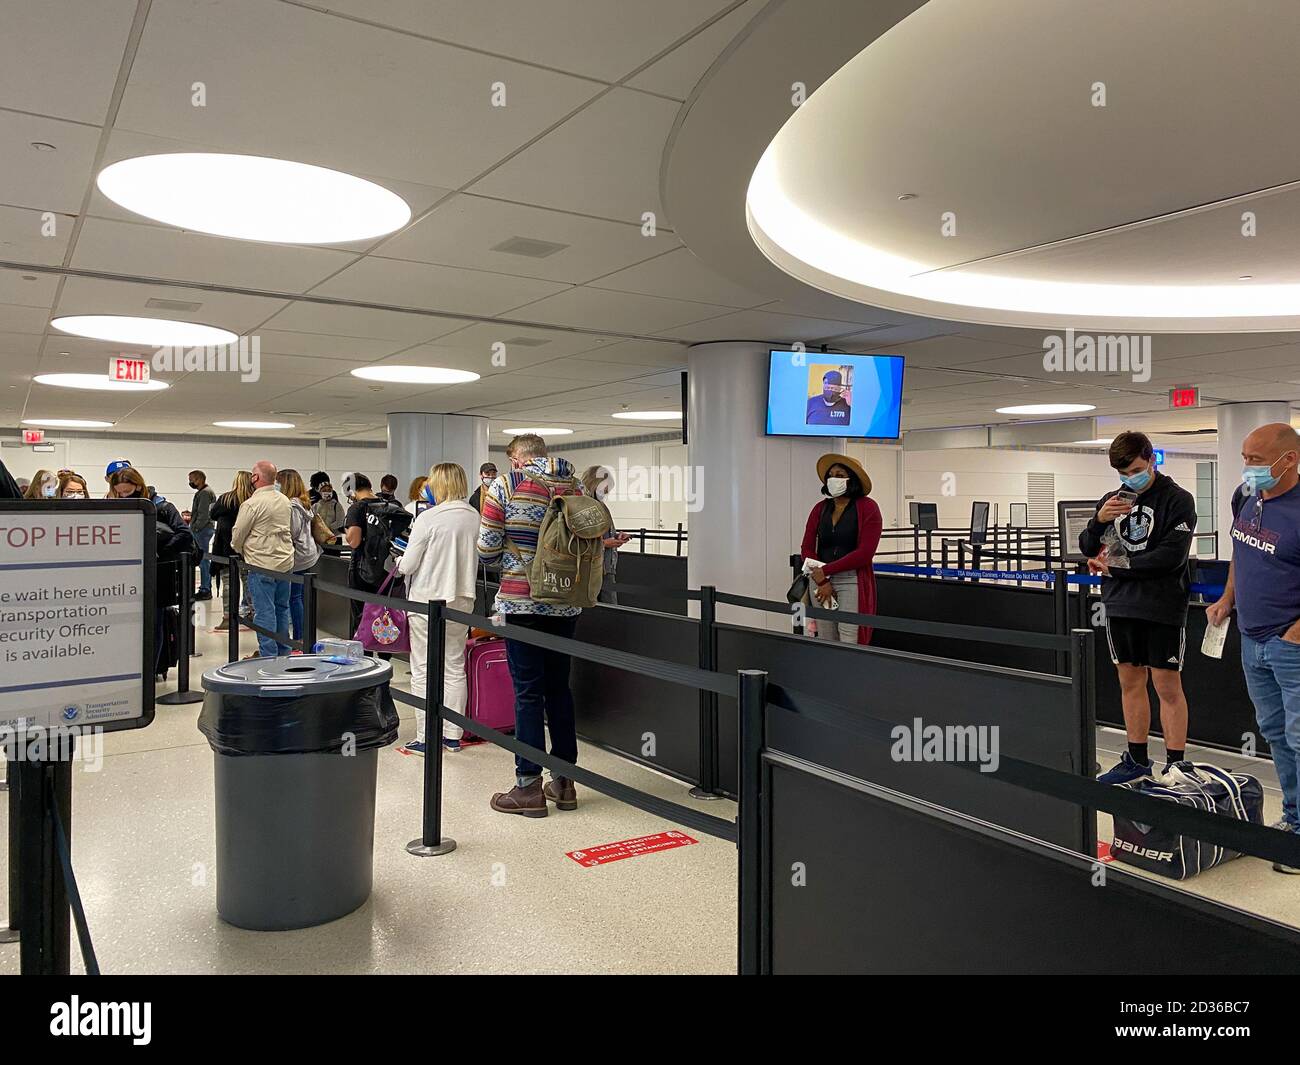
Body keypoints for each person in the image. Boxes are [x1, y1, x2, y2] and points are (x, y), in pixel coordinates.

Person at [1207, 422, 1300, 872]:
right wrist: (1229, 597)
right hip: (1251, 638)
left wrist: (1296, 630)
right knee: (1277, 735)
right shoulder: (1245, 499)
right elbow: (1240, 554)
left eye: (1256, 460)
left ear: (1289, 461)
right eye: (1245, 457)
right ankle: (1295, 820)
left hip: (1291, 644)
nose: (1247, 467)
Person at [479, 433, 587, 818]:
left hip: (522, 602)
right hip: (567, 603)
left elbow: (487, 549)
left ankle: (528, 787)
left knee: (527, 693)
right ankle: (564, 782)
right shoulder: (577, 485)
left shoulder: (506, 485)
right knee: (559, 689)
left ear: (516, 457)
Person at [1080, 431, 1197, 785]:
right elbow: (1087, 546)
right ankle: (1137, 758)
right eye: (1122, 472)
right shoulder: (1113, 499)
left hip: (1161, 606)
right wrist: (1100, 519)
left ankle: (1176, 763)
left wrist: (1116, 568)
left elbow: (1170, 557)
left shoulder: (1178, 499)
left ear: (1151, 460)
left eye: (1134, 469)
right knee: (1129, 681)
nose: (1129, 478)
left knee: (1166, 684)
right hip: (1120, 604)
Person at [397, 463, 480, 755]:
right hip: (462, 600)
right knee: (454, 666)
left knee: (422, 669)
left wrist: (397, 562)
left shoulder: (428, 518)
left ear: (439, 484)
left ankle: (425, 736)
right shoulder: (474, 516)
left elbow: (408, 564)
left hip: (426, 601)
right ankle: (452, 735)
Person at [800, 454, 882, 644]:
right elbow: (807, 547)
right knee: (827, 636)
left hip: (850, 581)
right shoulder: (820, 509)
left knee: (849, 635)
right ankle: (829, 673)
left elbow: (865, 553)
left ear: (851, 479)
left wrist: (825, 571)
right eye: (830, 475)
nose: (832, 479)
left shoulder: (868, 508)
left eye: (839, 475)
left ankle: (850, 674)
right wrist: (821, 579)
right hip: (819, 580)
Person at [231, 460, 294, 658]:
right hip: (285, 564)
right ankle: (284, 652)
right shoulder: (285, 500)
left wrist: (242, 550)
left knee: (264, 612)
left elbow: (238, 535)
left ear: (256, 478)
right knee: (282, 609)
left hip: (261, 564)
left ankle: (268, 656)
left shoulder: (251, 504)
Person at [343, 473, 410, 636]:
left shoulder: (357, 508)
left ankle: (364, 655)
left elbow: (354, 541)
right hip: (387, 571)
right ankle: (385, 653)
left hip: (362, 570)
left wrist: (347, 529)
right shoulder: (390, 506)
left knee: (362, 617)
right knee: (385, 615)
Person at [277, 468, 321, 647]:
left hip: (298, 557)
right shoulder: (304, 503)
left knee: (294, 597)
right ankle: (302, 635)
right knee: (299, 597)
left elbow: (293, 532)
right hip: (308, 554)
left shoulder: (292, 506)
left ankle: (300, 637)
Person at [580, 465, 630, 604]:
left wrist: (616, 537)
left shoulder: (601, 506)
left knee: (611, 609)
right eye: (604, 489)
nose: (605, 494)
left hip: (607, 568)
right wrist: (605, 544)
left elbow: (603, 534)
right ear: (594, 484)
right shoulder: (582, 507)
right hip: (592, 570)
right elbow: (577, 543)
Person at [210, 471, 254, 631]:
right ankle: (253, 612)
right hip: (246, 548)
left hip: (225, 548)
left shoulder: (226, 499)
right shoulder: (252, 499)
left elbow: (212, 514)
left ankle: (228, 616)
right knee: (249, 581)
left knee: (228, 582)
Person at [108, 468, 187, 533]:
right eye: (119, 493)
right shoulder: (120, 510)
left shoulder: (162, 507)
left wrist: (162, 550)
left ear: (138, 486)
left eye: (127, 492)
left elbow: (185, 532)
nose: (123, 496)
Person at [189, 470, 217, 601]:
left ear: (199, 479)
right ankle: (205, 587)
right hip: (203, 529)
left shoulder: (205, 493)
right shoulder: (203, 492)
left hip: (202, 530)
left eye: (192, 479)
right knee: (203, 559)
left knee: (203, 560)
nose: (190, 482)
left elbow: (204, 514)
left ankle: (205, 589)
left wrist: (194, 528)